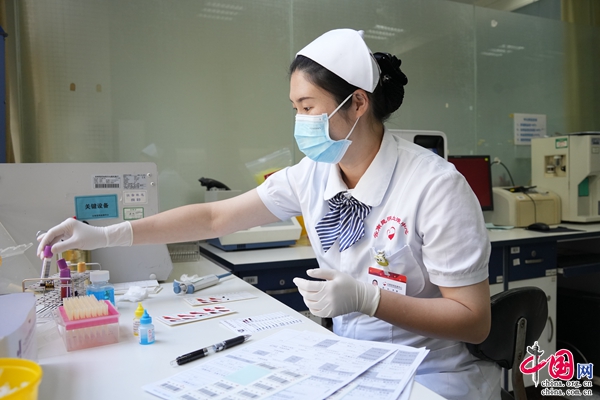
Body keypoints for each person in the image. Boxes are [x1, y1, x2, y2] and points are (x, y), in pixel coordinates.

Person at [37, 29, 500, 399]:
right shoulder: (313, 173)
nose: (300, 121)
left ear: (358, 103)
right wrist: (105, 235)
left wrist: (368, 299)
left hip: (430, 375)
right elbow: (215, 219)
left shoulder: (434, 187)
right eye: (295, 108)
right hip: (350, 362)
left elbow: (474, 320)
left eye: (308, 107)